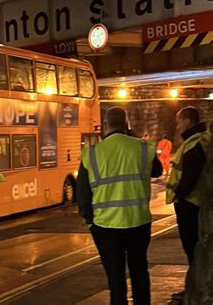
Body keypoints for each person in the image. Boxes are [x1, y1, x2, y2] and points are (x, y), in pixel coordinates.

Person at [77, 106, 162, 305]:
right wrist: (133, 135)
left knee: (115, 279)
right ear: (127, 124)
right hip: (138, 222)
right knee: (139, 271)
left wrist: (89, 220)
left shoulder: (91, 154)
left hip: (105, 226)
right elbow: (157, 171)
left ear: (105, 126)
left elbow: (83, 194)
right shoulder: (142, 148)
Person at [166, 107, 209, 301]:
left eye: (179, 121)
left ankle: (195, 290)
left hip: (190, 204)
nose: (177, 126)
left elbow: (191, 174)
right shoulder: (199, 140)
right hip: (195, 202)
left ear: (188, 121)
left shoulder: (194, 144)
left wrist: (179, 194)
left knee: (192, 249)